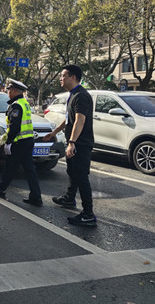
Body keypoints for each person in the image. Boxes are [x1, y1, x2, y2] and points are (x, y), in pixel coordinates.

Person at [44, 64, 96, 227]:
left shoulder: (81, 96)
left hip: (81, 144)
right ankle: (69, 199)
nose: (60, 78)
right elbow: (69, 119)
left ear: (73, 77)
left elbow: (80, 120)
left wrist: (72, 142)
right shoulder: (72, 95)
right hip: (74, 143)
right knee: (72, 172)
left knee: (81, 177)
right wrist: (54, 133)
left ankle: (88, 214)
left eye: (63, 75)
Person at [0, 79, 42, 206]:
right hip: (28, 141)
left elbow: (15, 126)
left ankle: (1, 189)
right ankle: (36, 197)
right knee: (29, 169)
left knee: (10, 167)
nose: (8, 92)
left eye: (9, 90)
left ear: (15, 91)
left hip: (18, 142)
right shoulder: (24, 103)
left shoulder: (16, 105)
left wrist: (8, 142)